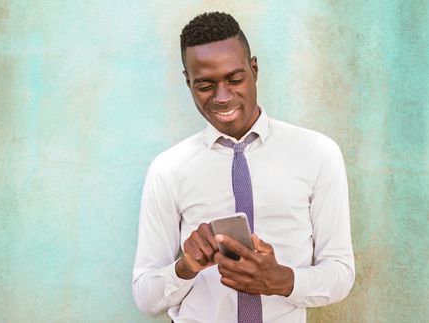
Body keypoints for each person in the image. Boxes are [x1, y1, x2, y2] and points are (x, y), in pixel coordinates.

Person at [132, 11, 354, 323]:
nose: (222, 97)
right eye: (205, 85)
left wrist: (282, 280)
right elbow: (146, 296)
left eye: (234, 79)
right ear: (188, 83)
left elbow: (340, 272)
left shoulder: (318, 154)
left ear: (254, 69)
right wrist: (187, 266)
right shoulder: (168, 169)